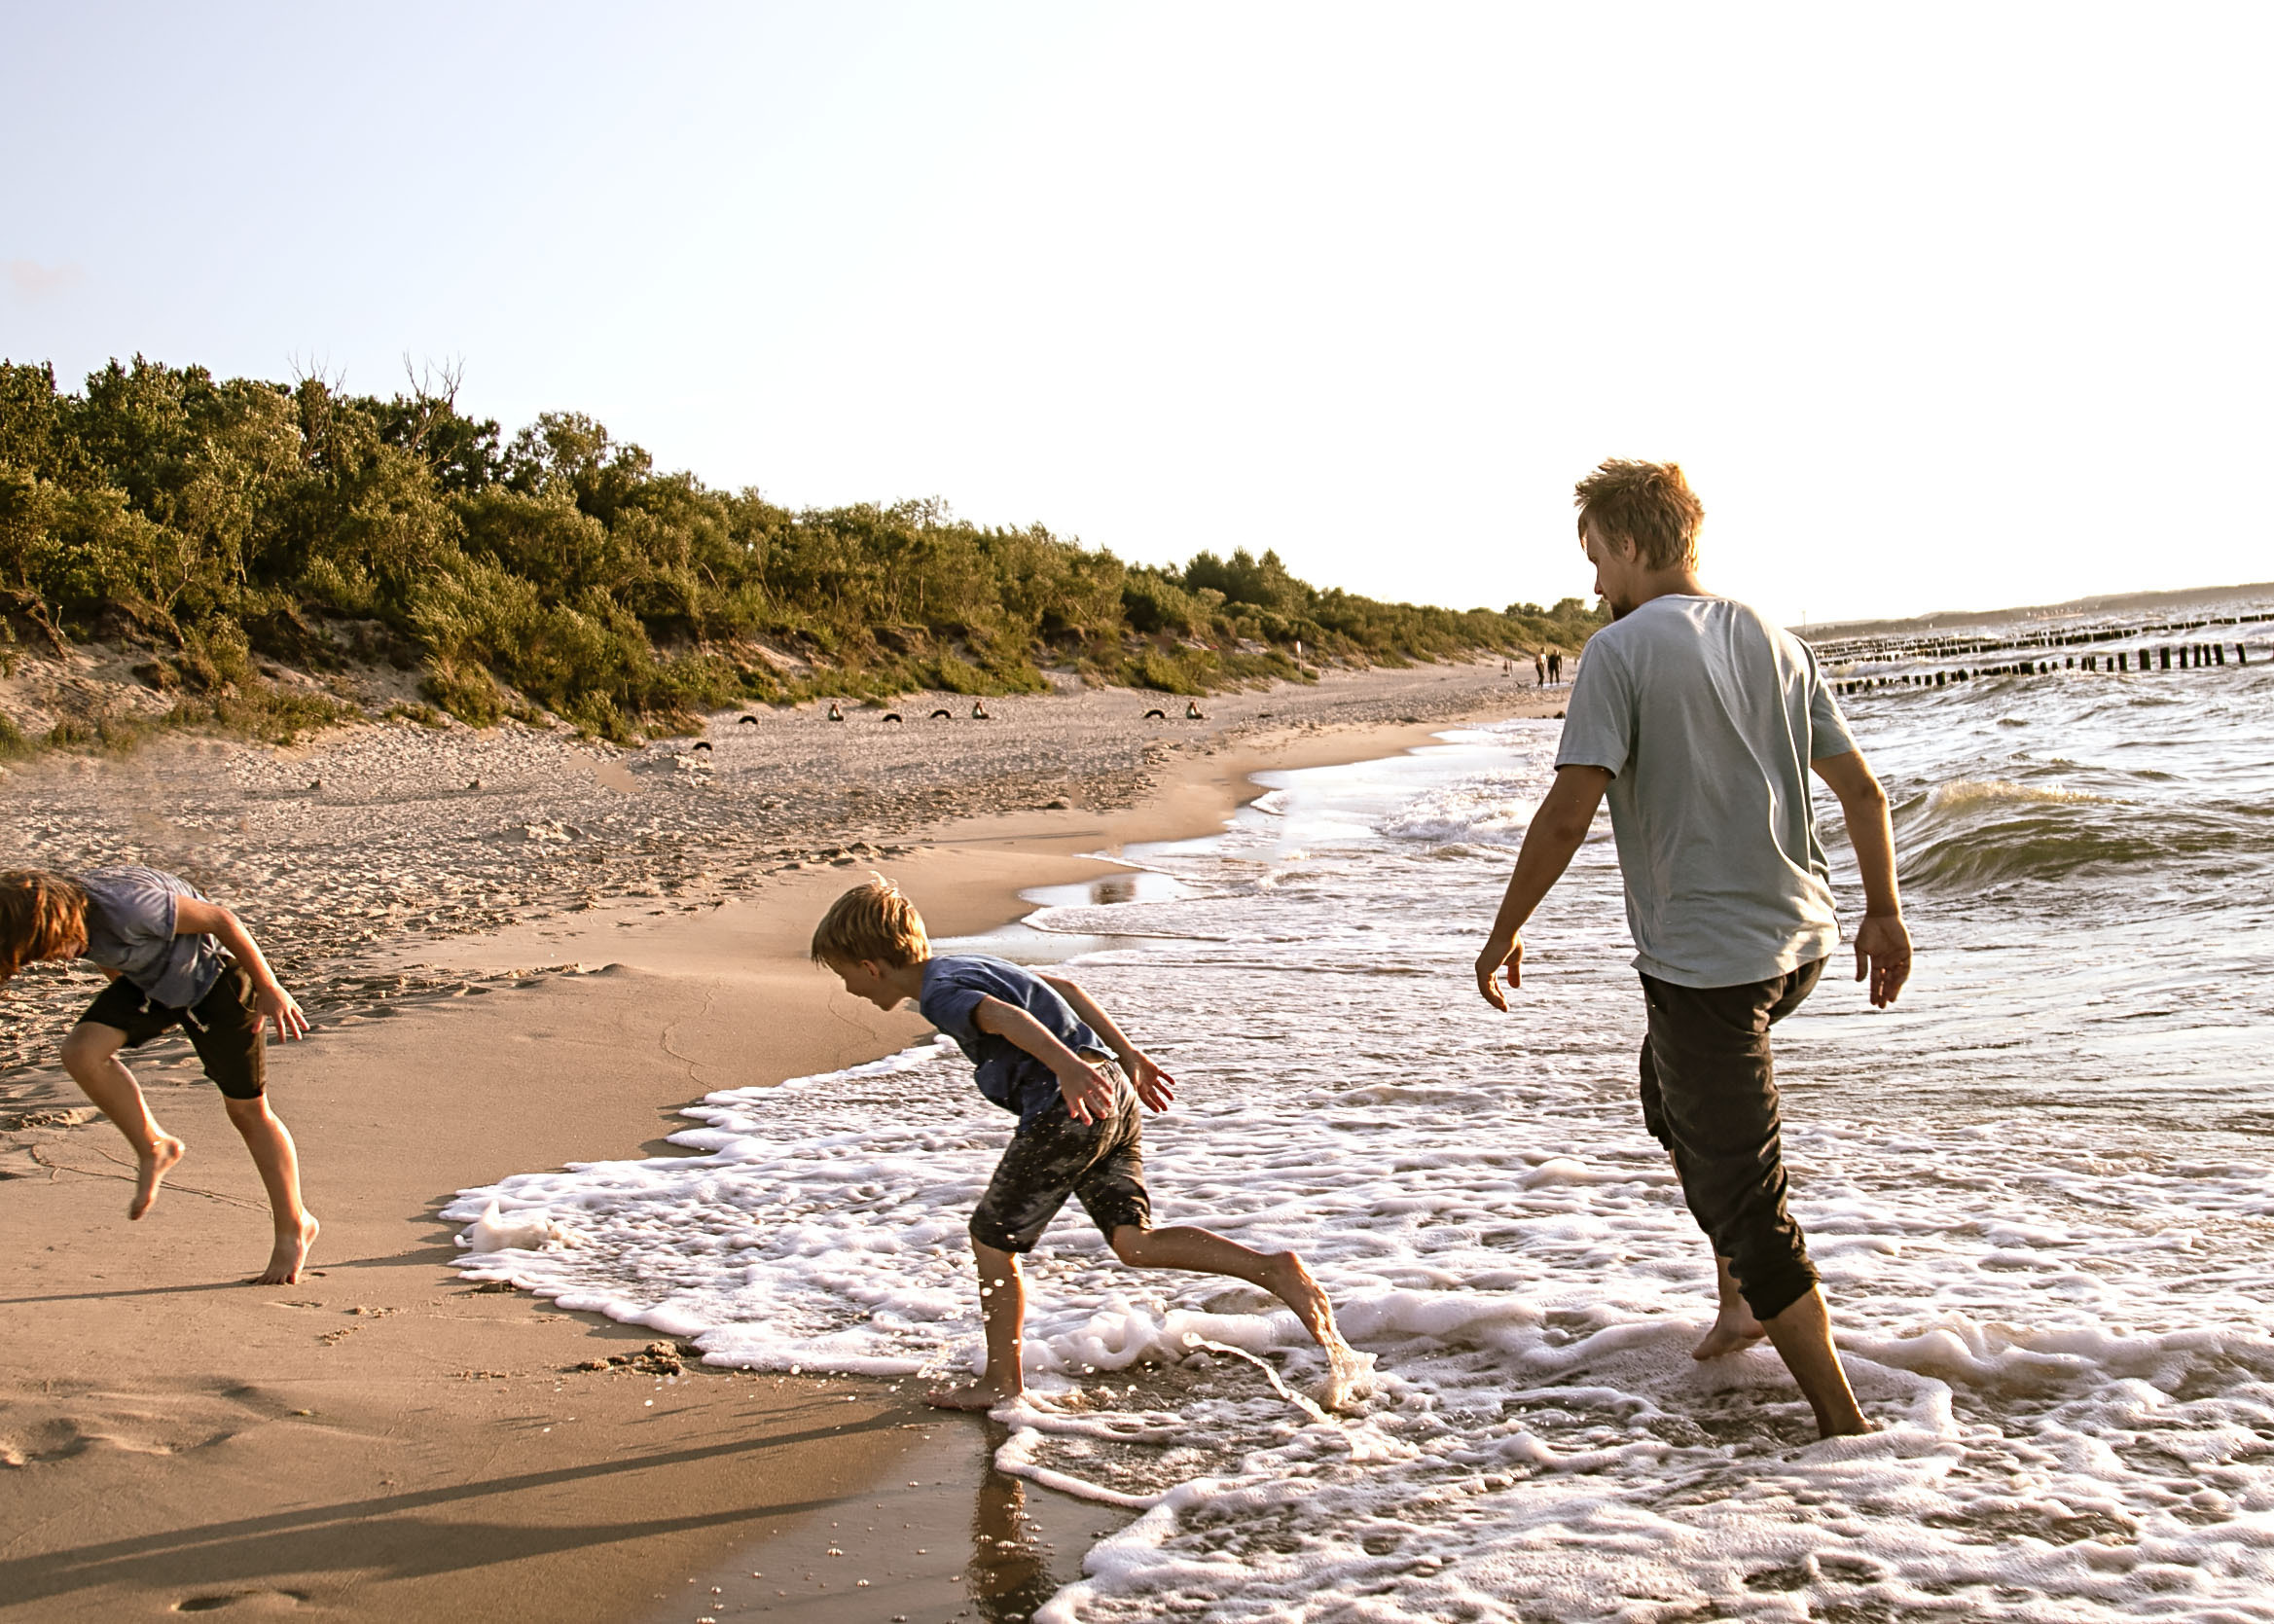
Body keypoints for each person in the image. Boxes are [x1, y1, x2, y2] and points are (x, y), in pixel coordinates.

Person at [1471, 460, 1910, 1440]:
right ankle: (1740, 1301)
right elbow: (1865, 794)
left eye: (1595, 560)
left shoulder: (1619, 651)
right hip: (1797, 943)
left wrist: (1505, 929)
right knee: (1670, 1101)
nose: (1593, 585)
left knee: (1745, 1194)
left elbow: (1566, 814)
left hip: (1708, 968)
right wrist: (1883, 910)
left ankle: (1847, 1432)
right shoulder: (1773, 637)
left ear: (1628, 543)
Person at [812, 877, 1360, 1411]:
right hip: (1112, 1097)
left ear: (871, 966)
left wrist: (1068, 1067)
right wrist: (1129, 1058)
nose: (848, 989)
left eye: (844, 977)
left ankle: (1002, 1382)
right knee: (1133, 1241)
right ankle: (1270, 1268)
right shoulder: (967, 965)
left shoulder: (939, 994)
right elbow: (1067, 991)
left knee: (991, 1240)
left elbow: (1004, 1017)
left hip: (1068, 1108)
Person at [0, 866, 317, 1283]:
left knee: (248, 1112)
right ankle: (155, 1147)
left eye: (47, 948)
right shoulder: (69, 921)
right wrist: (129, 1008)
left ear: (53, 921)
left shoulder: (129, 909)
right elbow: (113, 958)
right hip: (152, 983)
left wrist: (269, 985)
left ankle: (295, 1225)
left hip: (217, 981)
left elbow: (222, 919)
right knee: (81, 1052)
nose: (54, 959)